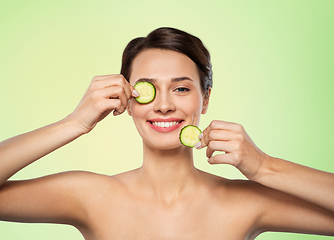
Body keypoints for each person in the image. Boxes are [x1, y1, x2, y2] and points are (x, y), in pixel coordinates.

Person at [0, 27, 333, 240]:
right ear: (127, 99)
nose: (162, 106)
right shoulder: (91, 196)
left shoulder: (246, 202)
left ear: (205, 99)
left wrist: (264, 167)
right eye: (147, 89)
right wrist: (74, 123)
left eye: (181, 89)